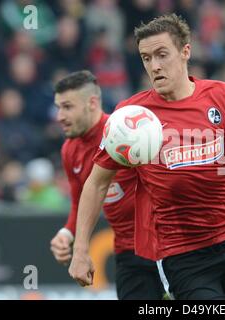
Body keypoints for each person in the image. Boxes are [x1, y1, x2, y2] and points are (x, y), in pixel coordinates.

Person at [69, 14, 225, 300]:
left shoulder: (223, 97)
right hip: (183, 256)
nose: (155, 66)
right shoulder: (131, 118)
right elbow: (97, 183)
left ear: (186, 51)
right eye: (146, 58)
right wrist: (80, 251)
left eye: (162, 55)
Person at [50, 70, 164, 300]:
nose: (60, 116)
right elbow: (79, 201)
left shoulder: (128, 134)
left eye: (68, 107)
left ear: (92, 103)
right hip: (127, 254)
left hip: (164, 247)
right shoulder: (69, 150)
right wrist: (67, 233)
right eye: (58, 107)